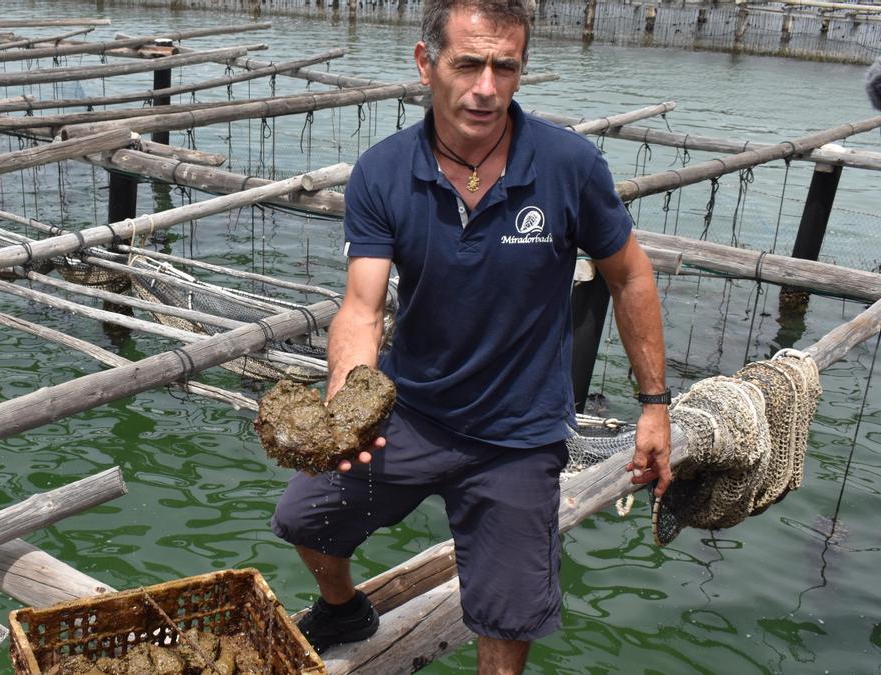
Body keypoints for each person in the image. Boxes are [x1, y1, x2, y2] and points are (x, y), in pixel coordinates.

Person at [270, 1, 672, 672]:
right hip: (414, 412)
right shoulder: (382, 171)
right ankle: (343, 607)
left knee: (507, 614)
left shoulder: (570, 164)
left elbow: (629, 275)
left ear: (520, 70)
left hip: (518, 433)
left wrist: (654, 401)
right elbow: (362, 308)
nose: (486, 87)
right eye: (468, 64)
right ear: (426, 64)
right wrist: (347, 403)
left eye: (504, 67)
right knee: (305, 516)